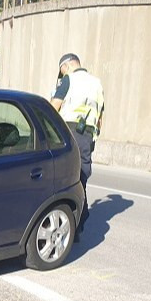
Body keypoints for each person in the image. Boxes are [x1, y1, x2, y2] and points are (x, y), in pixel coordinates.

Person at [50, 53, 105, 241]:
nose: (62, 74)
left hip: (69, 132)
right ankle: (77, 223)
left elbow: (53, 108)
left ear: (66, 66)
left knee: (69, 179)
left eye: (61, 70)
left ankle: (76, 221)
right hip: (88, 136)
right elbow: (100, 118)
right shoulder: (97, 84)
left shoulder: (68, 80)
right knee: (81, 177)